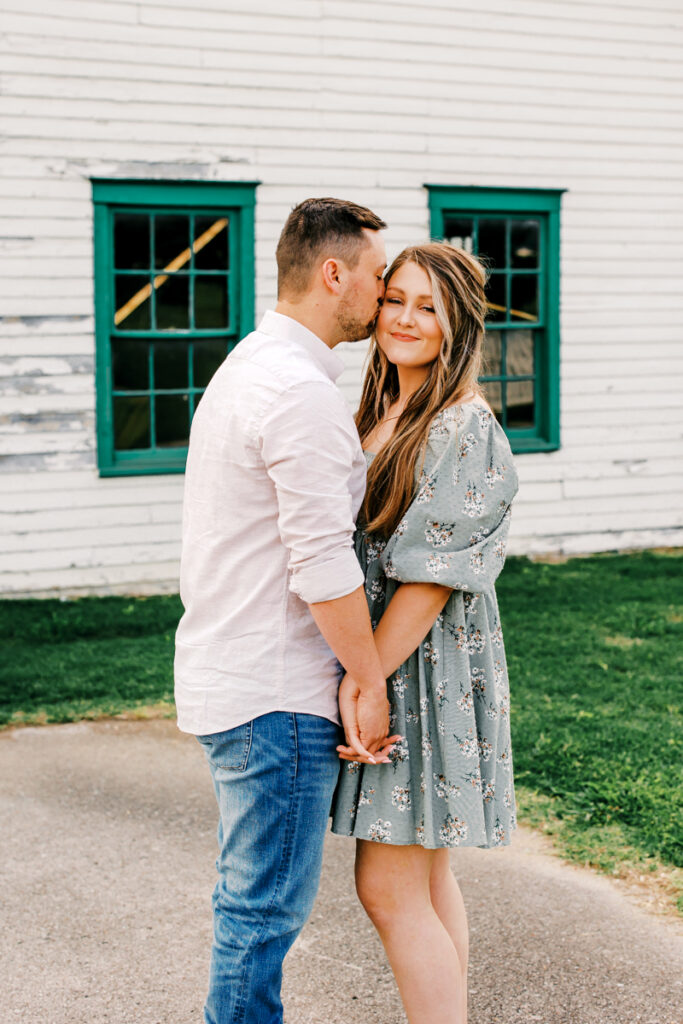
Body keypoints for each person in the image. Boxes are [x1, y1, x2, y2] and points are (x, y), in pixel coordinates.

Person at [174, 197, 397, 1024]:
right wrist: (367, 679)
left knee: (250, 907)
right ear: (333, 272)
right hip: (275, 691)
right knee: (261, 915)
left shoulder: (253, 366)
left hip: (232, 672)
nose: (382, 296)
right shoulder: (296, 391)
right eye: (377, 277)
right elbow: (320, 563)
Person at [331, 242, 519, 1024]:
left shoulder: (458, 424)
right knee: (428, 879)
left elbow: (432, 575)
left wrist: (365, 677)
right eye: (395, 299)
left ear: (457, 324)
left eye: (427, 306)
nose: (404, 318)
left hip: (415, 664)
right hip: (396, 658)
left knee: (387, 887)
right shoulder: (389, 409)